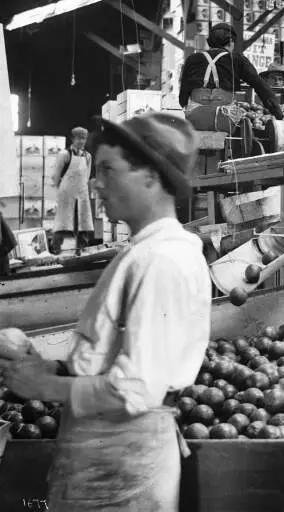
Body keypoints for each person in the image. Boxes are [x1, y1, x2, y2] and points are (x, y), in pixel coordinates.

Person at [0, 113, 211, 510]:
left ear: (150, 176)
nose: (96, 184)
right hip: (107, 458)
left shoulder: (163, 261)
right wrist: (50, 368)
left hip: (123, 465)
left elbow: (136, 388)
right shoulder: (142, 252)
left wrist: (44, 388)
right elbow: (112, 360)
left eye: (109, 170)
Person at [179, 22, 282, 127]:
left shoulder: (192, 59)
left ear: (210, 42)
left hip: (195, 118)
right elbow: (260, 85)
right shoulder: (237, 59)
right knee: (239, 121)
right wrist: (279, 113)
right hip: (224, 120)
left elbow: (183, 96)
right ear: (231, 41)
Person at [51, 126, 94, 254]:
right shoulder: (64, 155)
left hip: (81, 192)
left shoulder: (88, 156)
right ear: (72, 139)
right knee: (62, 221)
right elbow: (56, 176)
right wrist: (62, 189)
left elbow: (87, 174)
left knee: (83, 221)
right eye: (79, 138)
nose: (81, 141)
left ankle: (81, 249)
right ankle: (56, 248)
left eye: (84, 139)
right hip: (66, 192)